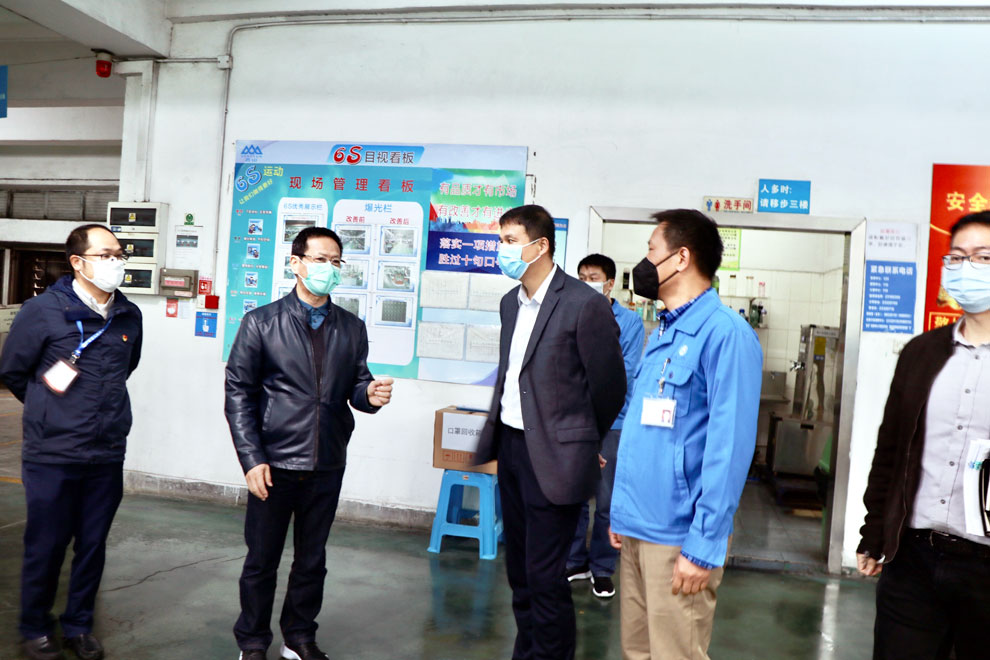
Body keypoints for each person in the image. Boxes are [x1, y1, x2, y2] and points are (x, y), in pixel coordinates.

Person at [225, 226, 394, 660]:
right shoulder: (261, 323)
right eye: (320, 259)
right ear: (296, 263)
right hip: (274, 462)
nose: (329, 269)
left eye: (336, 262)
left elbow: (355, 385)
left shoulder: (351, 327)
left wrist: (369, 395)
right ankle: (253, 641)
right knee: (261, 560)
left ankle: (298, 637)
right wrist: (251, 459)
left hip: (327, 461)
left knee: (312, 559)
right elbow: (238, 392)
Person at [473, 204, 627, 660]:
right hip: (512, 447)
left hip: (556, 457)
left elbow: (610, 386)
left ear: (540, 246)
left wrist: (583, 442)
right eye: (500, 240)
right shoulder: (510, 303)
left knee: (545, 575)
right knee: (519, 572)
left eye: (509, 241)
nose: (501, 249)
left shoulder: (583, 303)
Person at [608, 209, 762, 660]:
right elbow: (643, 432)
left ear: (680, 258)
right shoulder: (664, 332)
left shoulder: (726, 335)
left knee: (675, 653)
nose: (644, 262)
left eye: (651, 250)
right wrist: (621, 513)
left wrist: (704, 543)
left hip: (678, 536)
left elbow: (729, 450)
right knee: (637, 651)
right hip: (637, 528)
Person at [0, 224, 143, 660]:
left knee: (92, 545)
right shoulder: (42, 310)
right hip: (53, 453)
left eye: (119, 254)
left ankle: (79, 625)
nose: (115, 262)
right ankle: (35, 627)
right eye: (105, 255)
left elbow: (126, 368)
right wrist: (50, 411)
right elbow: (13, 371)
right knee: (46, 545)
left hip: (106, 451)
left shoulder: (129, 315)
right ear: (78, 262)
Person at [857, 211, 990, 660]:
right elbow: (891, 450)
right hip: (914, 556)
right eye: (957, 257)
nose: (967, 267)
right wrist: (874, 532)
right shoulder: (921, 353)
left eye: (983, 257)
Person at [567, 254, 644, 599]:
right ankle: (575, 561)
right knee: (574, 495)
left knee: (607, 500)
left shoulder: (630, 322)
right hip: (575, 421)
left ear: (610, 283)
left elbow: (622, 373)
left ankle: (601, 568)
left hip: (614, 420)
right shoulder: (571, 314)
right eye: (582, 277)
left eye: (593, 277)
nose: (587, 283)